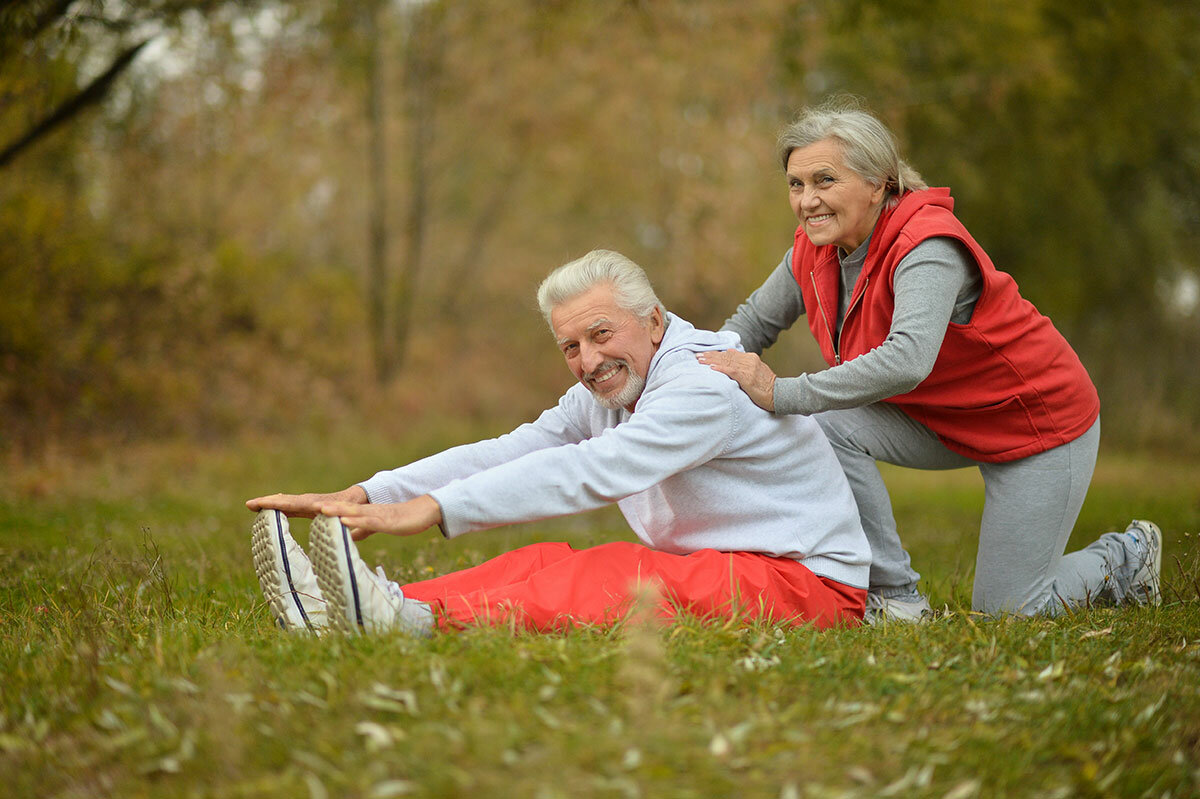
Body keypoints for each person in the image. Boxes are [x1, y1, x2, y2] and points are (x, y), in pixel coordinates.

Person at [698, 98, 1162, 622]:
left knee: (1009, 614)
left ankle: (1125, 558)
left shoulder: (927, 245)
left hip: (1037, 423)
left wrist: (782, 393)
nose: (807, 201)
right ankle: (895, 597)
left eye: (824, 180)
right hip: (938, 417)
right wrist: (688, 372)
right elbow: (751, 324)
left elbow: (907, 360)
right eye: (795, 184)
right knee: (825, 423)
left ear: (879, 183)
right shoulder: (811, 249)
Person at [247, 249, 870, 636]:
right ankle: (357, 604)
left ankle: (414, 623)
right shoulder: (612, 384)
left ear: (653, 319)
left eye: (602, 333)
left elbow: (596, 470)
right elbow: (512, 451)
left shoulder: (703, 380)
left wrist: (432, 511)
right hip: (724, 567)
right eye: (571, 346)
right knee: (541, 560)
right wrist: (370, 492)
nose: (589, 360)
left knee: (614, 570)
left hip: (805, 585)